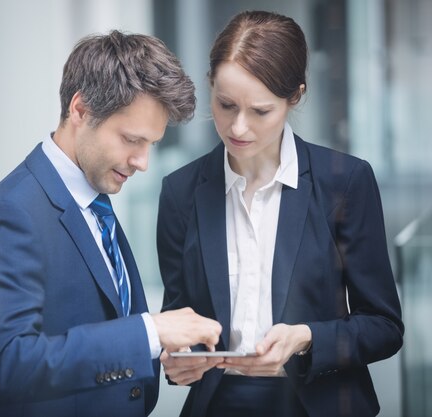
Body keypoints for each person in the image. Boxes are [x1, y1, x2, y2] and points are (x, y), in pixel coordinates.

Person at [0, 30, 222, 417]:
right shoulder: (11, 214)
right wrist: (148, 333)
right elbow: (4, 367)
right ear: (80, 110)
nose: (142, 162)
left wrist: (160, 352)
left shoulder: (93, 196)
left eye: (151, 143)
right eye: (131, 139)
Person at [156, 10, 404, 417]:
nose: (238, 128)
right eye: (225, 104)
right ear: (210, 88)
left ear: (296, 96)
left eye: (260, 111)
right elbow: (179, 316)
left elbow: (384, 328)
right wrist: (180, 356)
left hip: (319, 402)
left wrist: (306, 337)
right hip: (219, 404)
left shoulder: (345, 182)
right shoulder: (180, 192)